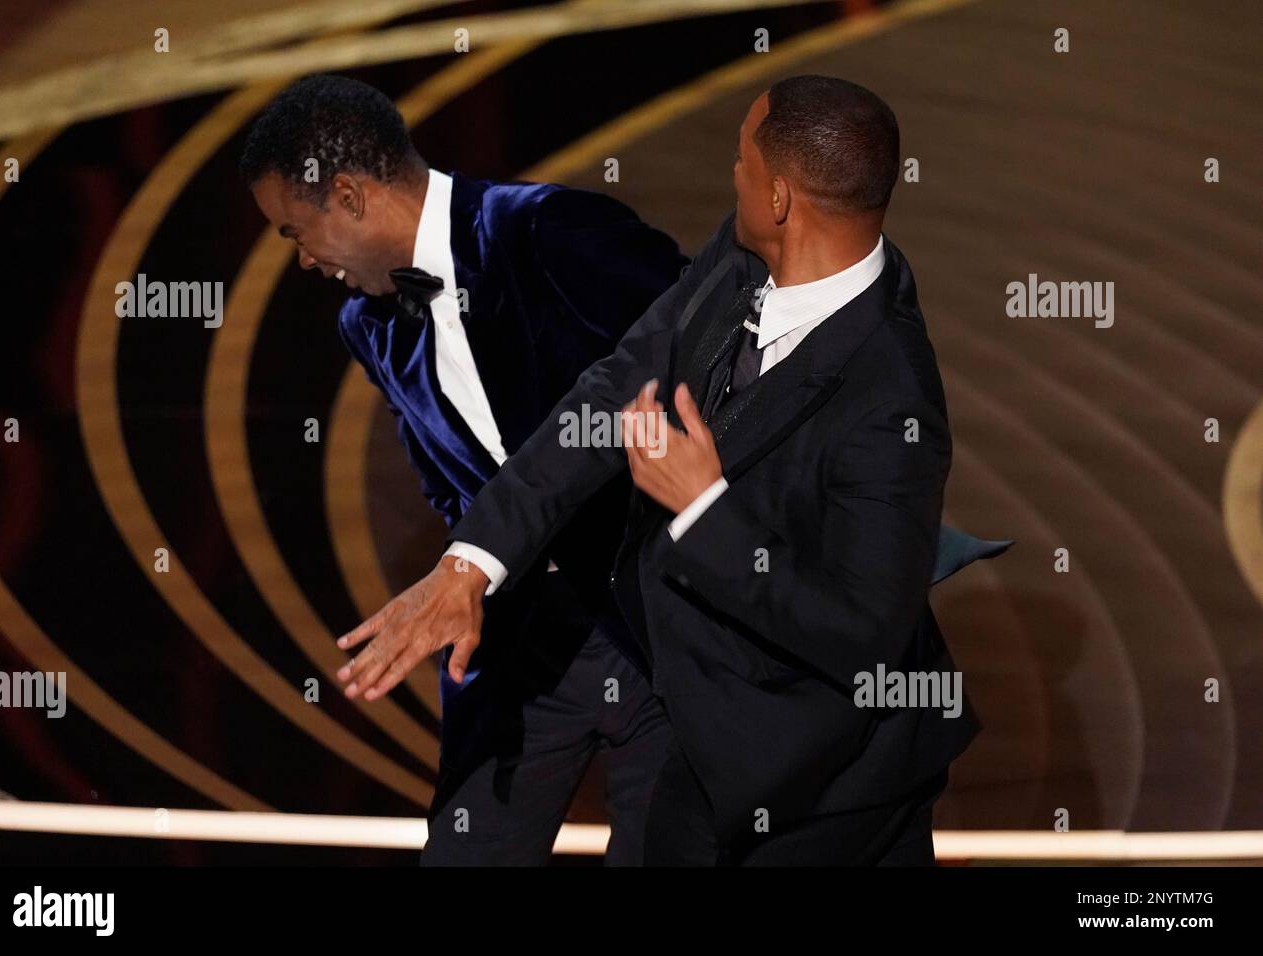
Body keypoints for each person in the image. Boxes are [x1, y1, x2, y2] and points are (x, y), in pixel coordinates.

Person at [336, 75, 1009, 865]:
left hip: (827, 791)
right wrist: (471, 563)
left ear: (783, 199)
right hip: (699, 747)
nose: (732, 176)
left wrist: (703, 508)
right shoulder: (741, 255)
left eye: (740, 162)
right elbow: (613, 387)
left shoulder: (893, 400)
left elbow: (862, 636)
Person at [241, 74, 688, 865]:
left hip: (660, 627)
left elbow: (712, 373)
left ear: (347, 195)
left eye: (292, 231)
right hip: (516, 641)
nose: (303, 260)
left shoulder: (553, 229)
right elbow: (449, 483)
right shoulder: (366, 325)